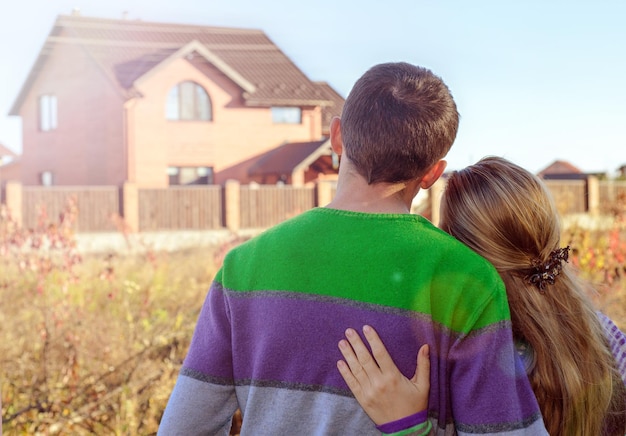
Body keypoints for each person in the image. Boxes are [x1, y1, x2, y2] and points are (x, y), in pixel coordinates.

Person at [157, 63, 547, 435]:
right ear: (432, 174)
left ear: (337, 136)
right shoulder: (468, 281)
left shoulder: (242, 269)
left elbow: (183, 428)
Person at [338, 156, 626, 435]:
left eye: (443, 237)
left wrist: (409, 426)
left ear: (462, 255)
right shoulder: (609, 338)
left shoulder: (471, 359)